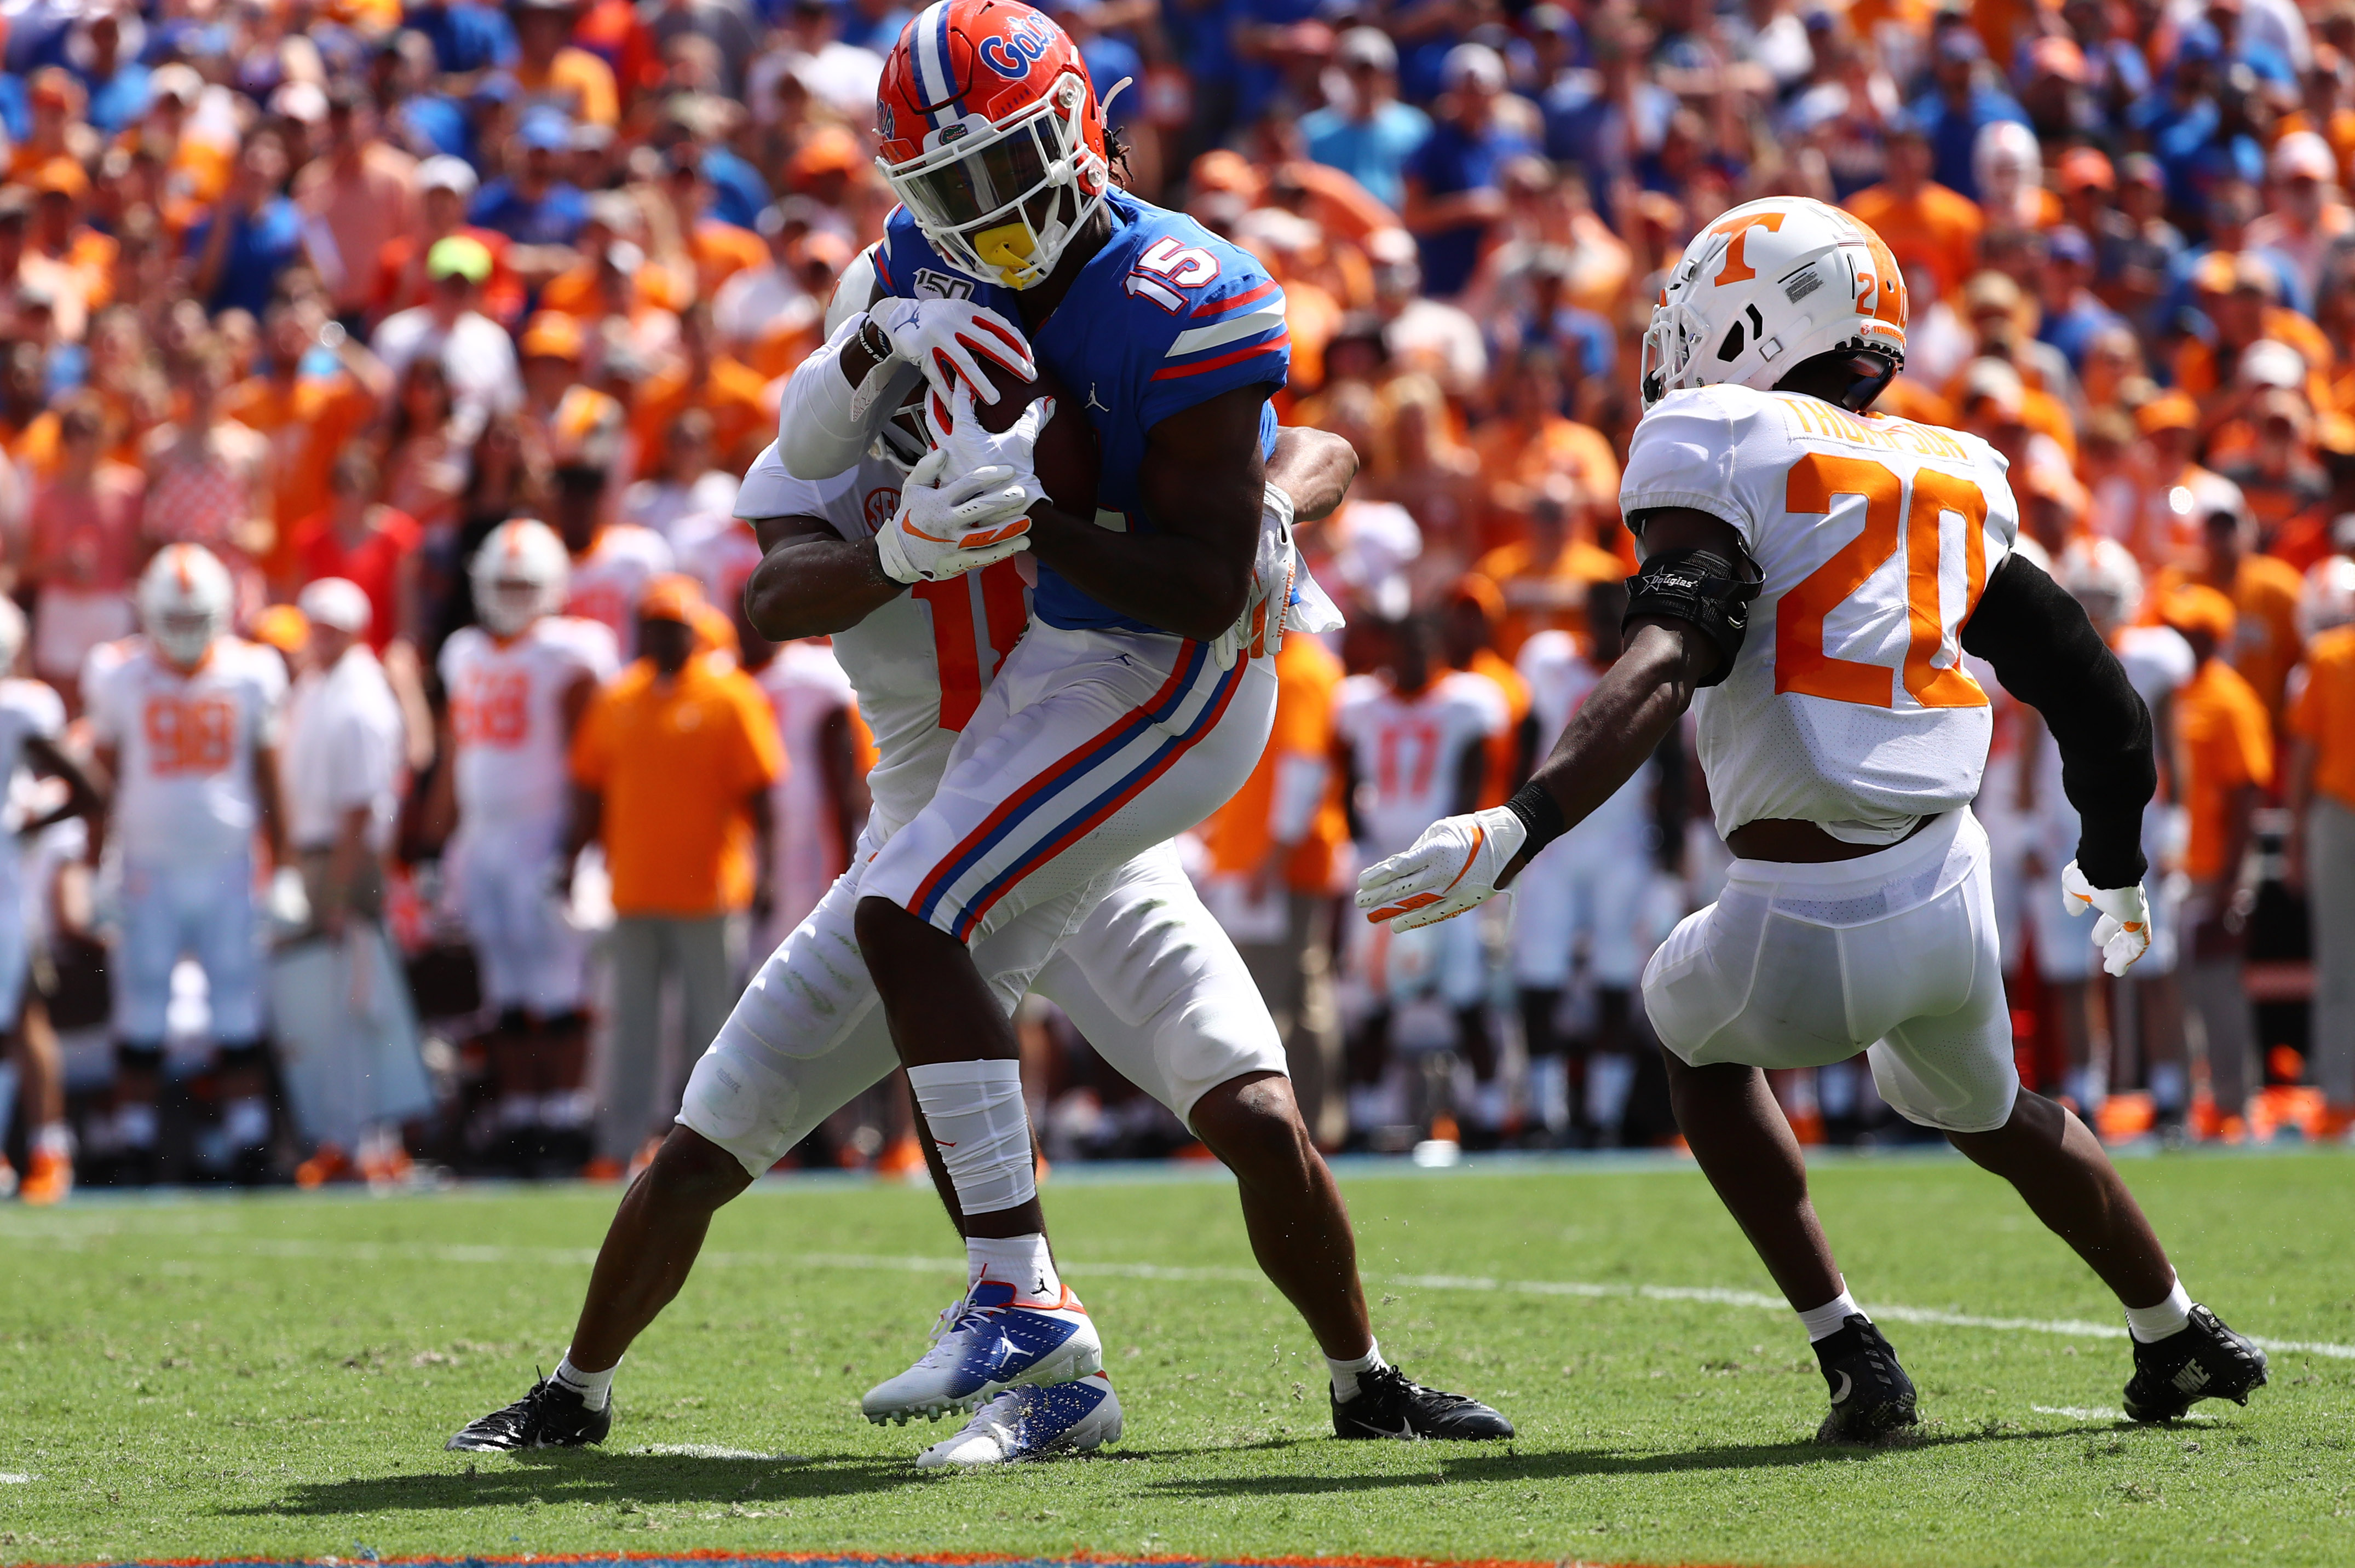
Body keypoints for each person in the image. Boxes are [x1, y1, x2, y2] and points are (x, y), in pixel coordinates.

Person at [447, 275, 1506, 1462]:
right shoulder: (819, 455)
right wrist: (898, 548)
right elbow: (775, 594)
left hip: (1087, 832)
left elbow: (1307, 442)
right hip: (919, 840)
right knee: (710, 1138)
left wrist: (1263, 510)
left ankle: (1360, 1380)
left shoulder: (1065, 416)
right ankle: (575, 1391)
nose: (927, 394)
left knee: (1256, 1108)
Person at [1357, 197, 2269, 1438]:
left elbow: (1669, 654)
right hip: (1951, 893)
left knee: (1688, 1033)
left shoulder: (1719, 437)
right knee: (1997, 1112)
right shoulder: (1949, 470)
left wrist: (1520, 826)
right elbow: (2098, 701)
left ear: (1747, 316)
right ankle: (2173, 1329)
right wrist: (2111, 868)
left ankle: (1851, 1354)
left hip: (1796, 908)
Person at [770, 0, 1335, 1440]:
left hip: (1177, 666)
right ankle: (1059, 1319)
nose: (983, 213)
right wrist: (873, 357)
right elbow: (789, 470)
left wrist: (1034, 519)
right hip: (1066, 655)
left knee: (910, 916)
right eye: (943, 186)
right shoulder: (915, 259)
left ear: (1084, 126)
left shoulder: (1188, 288)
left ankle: (1022, 1301)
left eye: (1003, 165)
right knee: (918, 919)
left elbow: (1205, 591)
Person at [85, 545, 293, 1185]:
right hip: (148, 865)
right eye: (170, 618)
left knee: (237, 1002)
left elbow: (269, 777)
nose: (180, 631)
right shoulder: (118, 672)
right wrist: (96, 869)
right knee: (142, 1003)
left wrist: (281, 867)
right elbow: (106, 779)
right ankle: (136, 1142)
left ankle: (249, 1139)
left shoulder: (252, 670)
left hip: (228, 862)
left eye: (192, 617)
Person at [561, 573, 779, 1170]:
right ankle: (619, 1144)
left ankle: (714, 1146)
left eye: (673, 625)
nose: (662, 636)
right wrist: (569, 859)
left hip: (709, 891)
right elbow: (589, 789)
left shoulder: (728, 695)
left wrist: (769, 872)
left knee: (711, 1030)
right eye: (653, 624)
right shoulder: (617, 697)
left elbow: (761, 794)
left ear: (693, 629)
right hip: (631, 888)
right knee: (631, 1030)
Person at [424, 520, 618, 1176]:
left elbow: (590, 761)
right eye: (502, 583)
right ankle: (516, 1114)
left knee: (557, 980)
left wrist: (578, 847)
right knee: (503, 985)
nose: (511, 594)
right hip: (484, 837)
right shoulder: (463, 650)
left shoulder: (570, 651)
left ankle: (562, 1112)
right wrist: (432, 841)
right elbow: (455, 753)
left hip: (544, 831)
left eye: (524, 583)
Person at [1333, 614, 1508, 1145]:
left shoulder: (1465, 701)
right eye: (1403, 644)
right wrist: (1366, 845)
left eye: (1421, 645)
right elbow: (1345, 779)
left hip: (1444, 869)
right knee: (1373, 997)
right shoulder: (1359, 703)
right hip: (1384, 868)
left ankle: (1490, 1113)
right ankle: (1366, 1116)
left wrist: (1445, 859)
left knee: (1466, 991)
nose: (1411, 656)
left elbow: (1470, 782)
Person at [276, 577, 419, 1184]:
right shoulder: (318, 685)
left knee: (358, 1000)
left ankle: (366, 1136)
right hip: (322, 852)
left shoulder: (358, 696)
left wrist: (336, 888)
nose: (319, 637)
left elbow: (361, 807)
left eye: (330, 627)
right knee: (336, 1004)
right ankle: (351, 1132)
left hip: (346, 857)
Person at [1510, 579, 1662, 1147]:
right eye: (1594, 612)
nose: (1602, 624)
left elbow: (1668, 762)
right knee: (1539, 978)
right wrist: (1512, 836)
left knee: (1615, 980)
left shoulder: (1649, 670)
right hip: (1553, 841)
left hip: (1621, 844)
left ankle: (1603, 1114)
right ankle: (1544, 1113)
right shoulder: (1551, 666)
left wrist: (1668, 856)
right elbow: (1528, 747)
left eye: (1612, 614)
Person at [0, 596, 101, 1203]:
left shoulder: (18, 708)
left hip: (7, 890)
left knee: (24, 1014)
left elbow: (89, 788)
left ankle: (49, 1149)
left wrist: (27, 828)